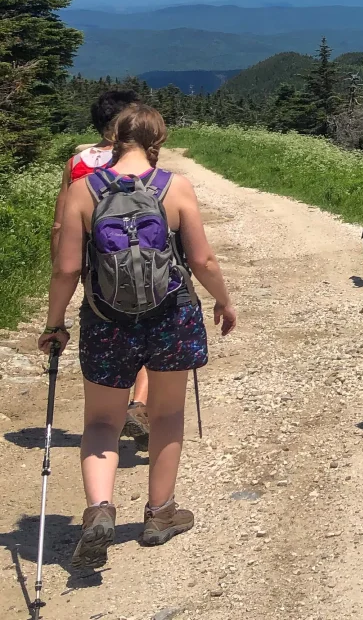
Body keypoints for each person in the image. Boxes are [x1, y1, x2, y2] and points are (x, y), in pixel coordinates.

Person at [40, 104, 238, 569]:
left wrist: (55, 325)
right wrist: (225, 302)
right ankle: (160, 513)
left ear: (113, 137)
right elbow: (203, 261)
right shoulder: (176, 188)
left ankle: (99, 510)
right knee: (166, 415)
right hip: (171, 317)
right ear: (158, 140)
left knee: (101, 423)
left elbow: (67, 267)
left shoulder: (83, 192)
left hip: (105, 320)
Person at [53, 88, 154, 448]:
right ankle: (138, 403)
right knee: (145, 327)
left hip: (92, 266)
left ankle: (108, 408)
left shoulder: (77, 162)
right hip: (141, 264)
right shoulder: (142, 159)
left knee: (105, 323)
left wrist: (61, 266)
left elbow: (62, 223)